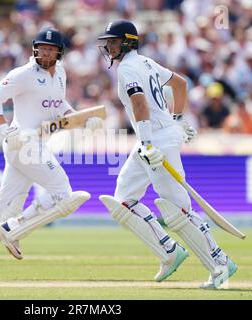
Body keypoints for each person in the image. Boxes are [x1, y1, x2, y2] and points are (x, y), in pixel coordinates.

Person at [97, 20, 237, 289]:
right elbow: (181, 84)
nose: (109, 46)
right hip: (153, 139)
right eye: (109, 42)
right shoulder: (147, 63)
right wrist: (177, 119)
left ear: (127, 41)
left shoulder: (128, 68)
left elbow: (139, 103)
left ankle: (220, 262)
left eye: (114, 41)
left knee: (177, 208)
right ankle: (168, 251)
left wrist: (150, 140)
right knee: (124, 200)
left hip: (155, 141)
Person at [0, 27, 103, 280]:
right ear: (34, 49)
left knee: (7, 204)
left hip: (36, 143)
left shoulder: (60, 74)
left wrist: (82, 120)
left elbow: (60, 106)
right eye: (42, 48)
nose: (46, 53)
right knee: (63, 194)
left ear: (59, 53)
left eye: (51, 49)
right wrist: (4, 128)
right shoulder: (23, 74)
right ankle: (13, 228)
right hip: (22, 141)